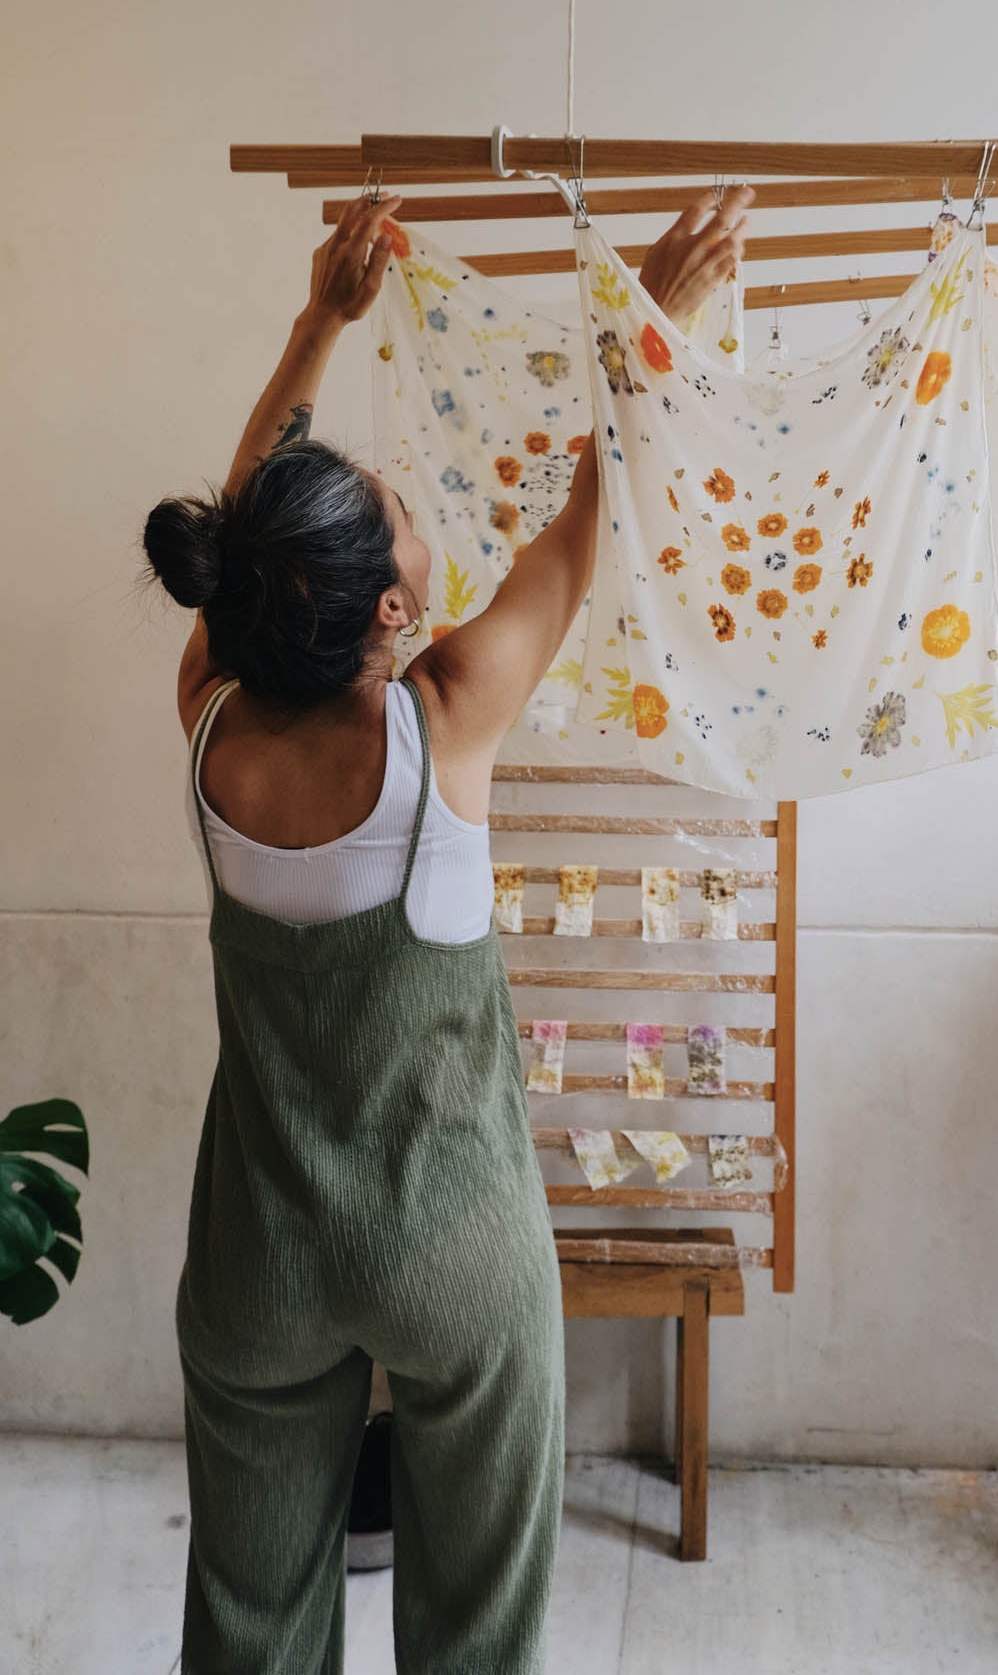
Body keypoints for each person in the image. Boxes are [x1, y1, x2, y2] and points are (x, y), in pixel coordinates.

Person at [143, 183, 752, 1672]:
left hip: (259, 1257)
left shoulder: (210, 717)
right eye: (408, 527)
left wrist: (319, 323)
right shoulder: (448, 719)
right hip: (455, 1250)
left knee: (246, 1614)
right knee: (478, 1623)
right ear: (386, 618)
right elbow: (585, 521)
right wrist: (647, 325)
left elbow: (245, 540)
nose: (422, 527)